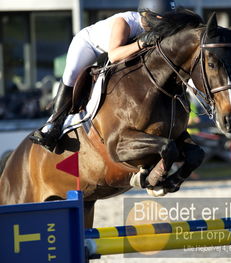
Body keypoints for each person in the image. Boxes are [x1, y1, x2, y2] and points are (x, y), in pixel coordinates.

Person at [29, 0, 177, 151]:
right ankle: (52, 125)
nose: (163, 26)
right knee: (71, 75)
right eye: (162, 20)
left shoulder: (152, 26)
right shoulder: (125, 22)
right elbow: (114, 54)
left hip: (109, 52)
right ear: (148, 15)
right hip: (89, 45)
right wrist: (142, 44)